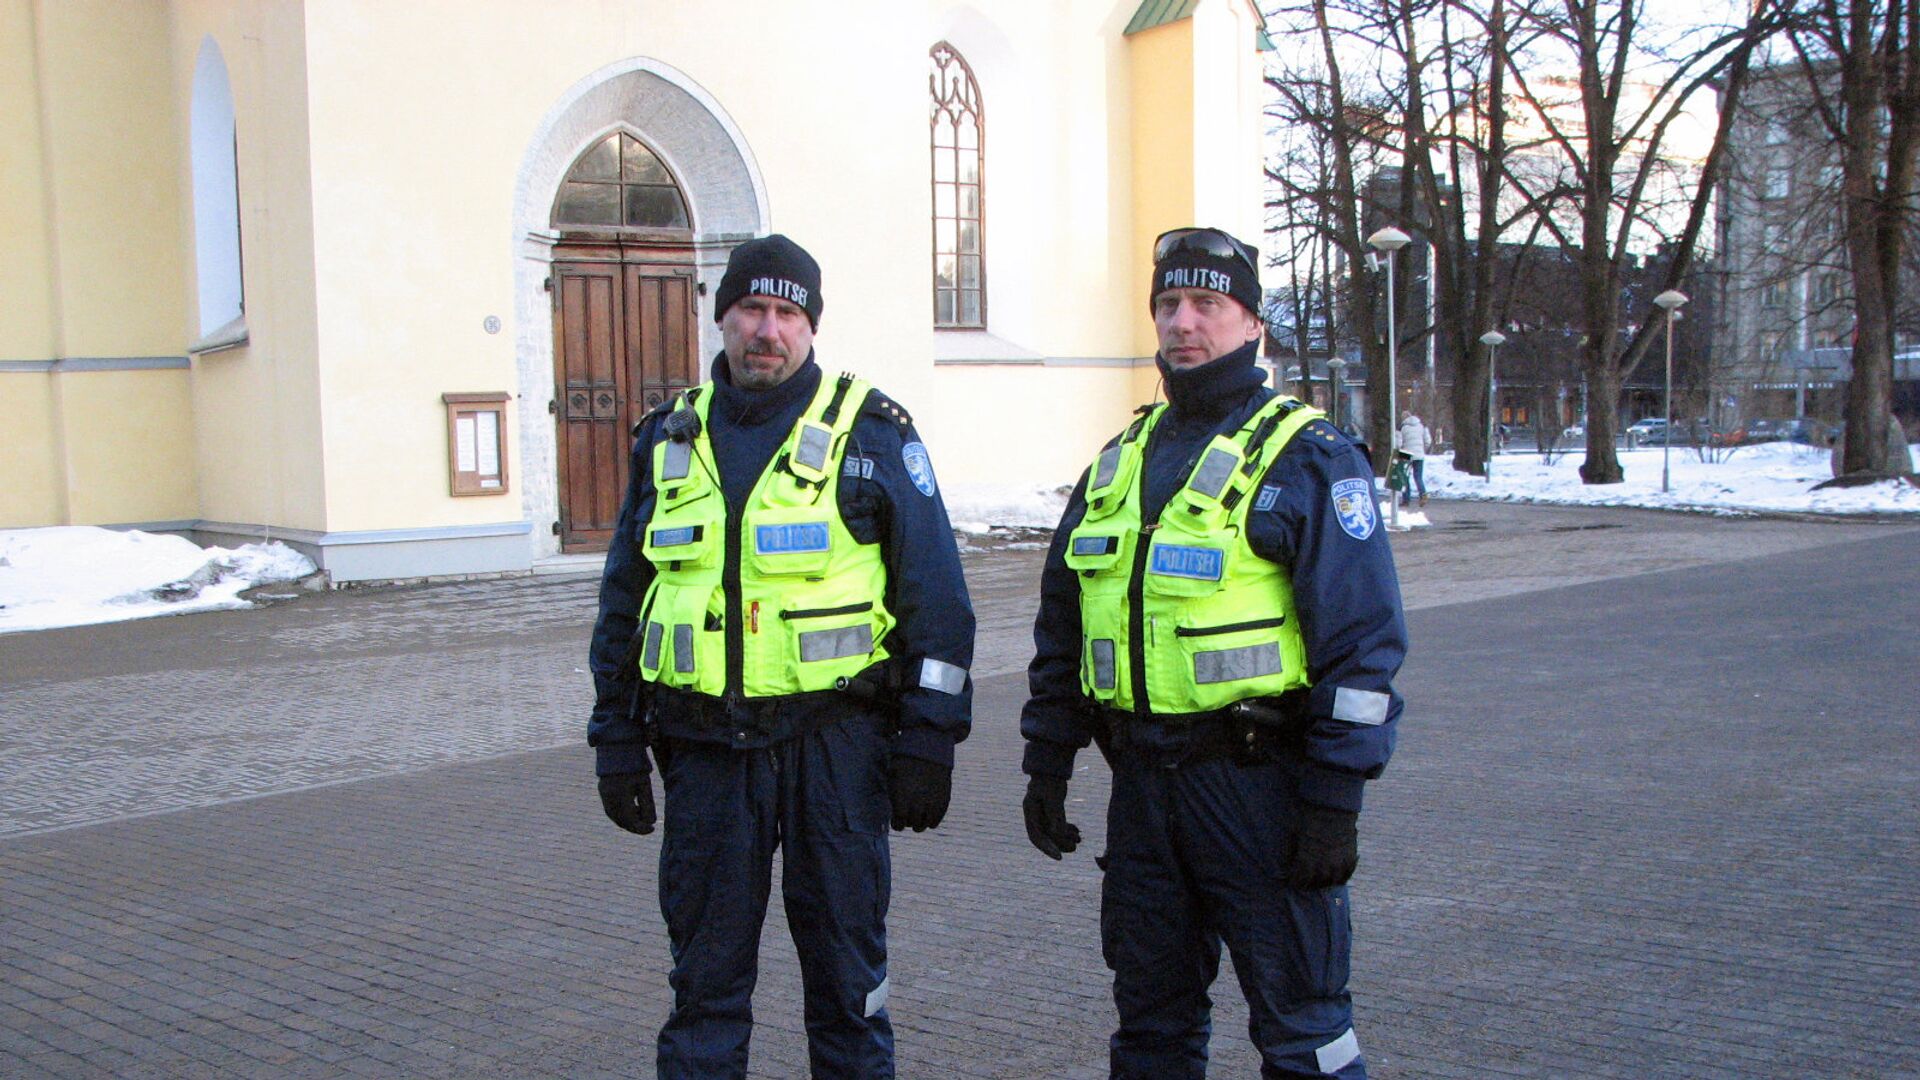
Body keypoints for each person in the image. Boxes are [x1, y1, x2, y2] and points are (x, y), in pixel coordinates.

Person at [1020, 226, 1407, 1079]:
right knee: (1152, 1030)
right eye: (1168, 304)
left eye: (1207, 304)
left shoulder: (1308, 455)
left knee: (1304, 1029)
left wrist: (1335, 799)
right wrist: (1047, 760)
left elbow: (1363, 645)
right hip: (1145, 794)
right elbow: (1065, 624)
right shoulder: (1119, 462)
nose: (1184, 322)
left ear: (1251, 324)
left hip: (1259, 789)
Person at [588, 235, 975, 1079]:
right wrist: (614, 737)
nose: (769, 330)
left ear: (810, 326)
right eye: (752, 310)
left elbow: (937, 604)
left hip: (834, 753)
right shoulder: (668, 438)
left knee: (848, 989)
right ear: (721, 316)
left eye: (787, 314)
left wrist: (929, 738)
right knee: (705, 991)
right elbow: (626, 601)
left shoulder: (872, 434)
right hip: (702, 755)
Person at [1396, 412, 1430, 507]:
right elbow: (1428, 441)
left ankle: (1406, 500)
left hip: (1406, 454)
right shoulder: (1421, 426)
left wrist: (1399, 451)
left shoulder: (1401, 428)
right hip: (1419, 454)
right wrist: (1423, 449)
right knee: (1418, 476)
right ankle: (1423, 493)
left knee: (1405, 477)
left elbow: (1398, 444)